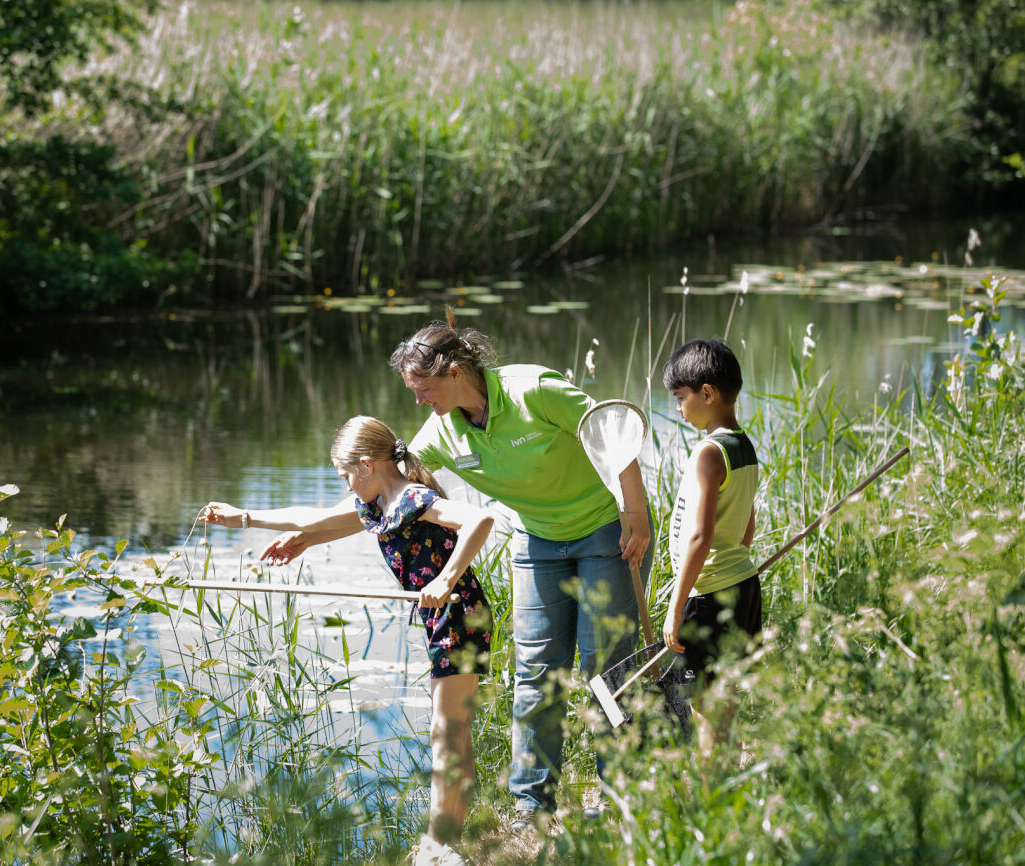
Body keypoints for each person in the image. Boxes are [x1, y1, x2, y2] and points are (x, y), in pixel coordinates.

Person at [389, 309, 654, 833]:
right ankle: (532, 805)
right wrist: (314, 524)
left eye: (422, 388)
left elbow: (610, 429)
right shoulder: (446, 428)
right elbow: (397, 482)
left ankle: (621, 795)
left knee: (606, 668)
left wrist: (637, 512)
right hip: (536, 542)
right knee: (535, 673)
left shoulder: (533, 389)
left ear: (452, 373)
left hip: (605, 530)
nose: (418, 400)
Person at [200, 416, 494, 866]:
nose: (344, 485)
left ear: (367, 464)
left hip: (459, 613)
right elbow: (315, 518)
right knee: (454, 737)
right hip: (445, 616)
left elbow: (480, 518)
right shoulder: (378, 504)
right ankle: (451, 843)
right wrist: (247, 519)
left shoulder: (413, 497)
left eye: (344, 476)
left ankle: (436, 849)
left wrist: (447, 575)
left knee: (445, 736)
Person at [660, 339, 762, 756]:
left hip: (708, 596)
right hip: (743, 588)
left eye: (681, 398)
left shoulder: (707, 453)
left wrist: (676, 604)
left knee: (703, 707)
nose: (679, 410)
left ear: (708, 393)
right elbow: (747, 527)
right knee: (726, 703)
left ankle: (710, 806)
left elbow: (700, 538)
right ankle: (726, 792)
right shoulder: (744, 446)